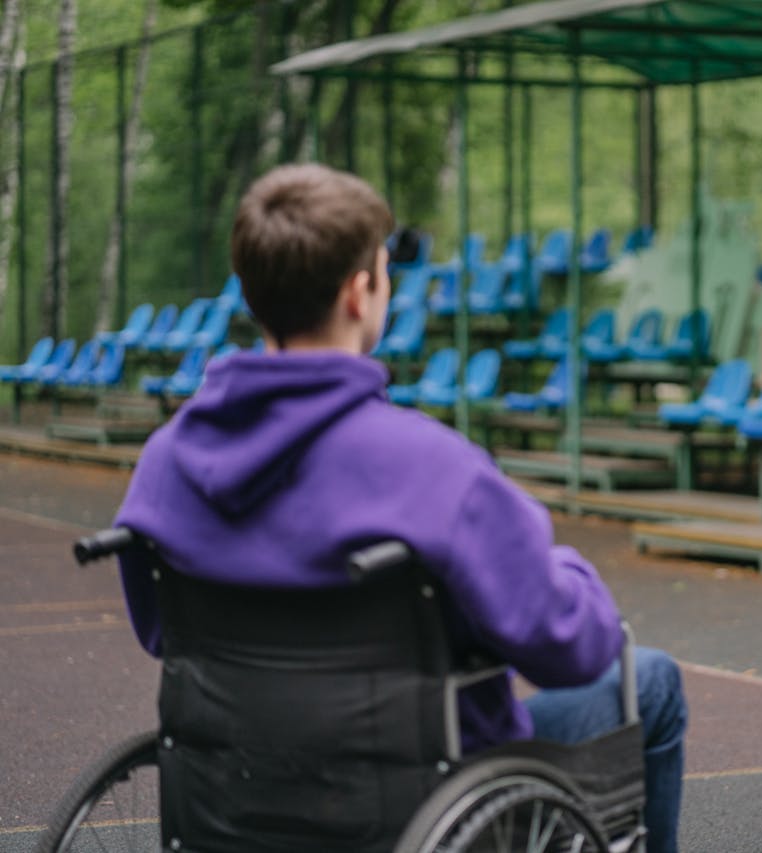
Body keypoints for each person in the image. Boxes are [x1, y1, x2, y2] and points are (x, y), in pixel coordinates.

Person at [113, 163, 686, 852]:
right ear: (361, 293)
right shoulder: (432, 466)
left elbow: (163, 636)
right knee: (651, 680)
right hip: (423, 797)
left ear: (250, 292)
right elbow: (569, 646)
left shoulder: (164, 461)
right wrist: (570, 573)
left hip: (234, 790)